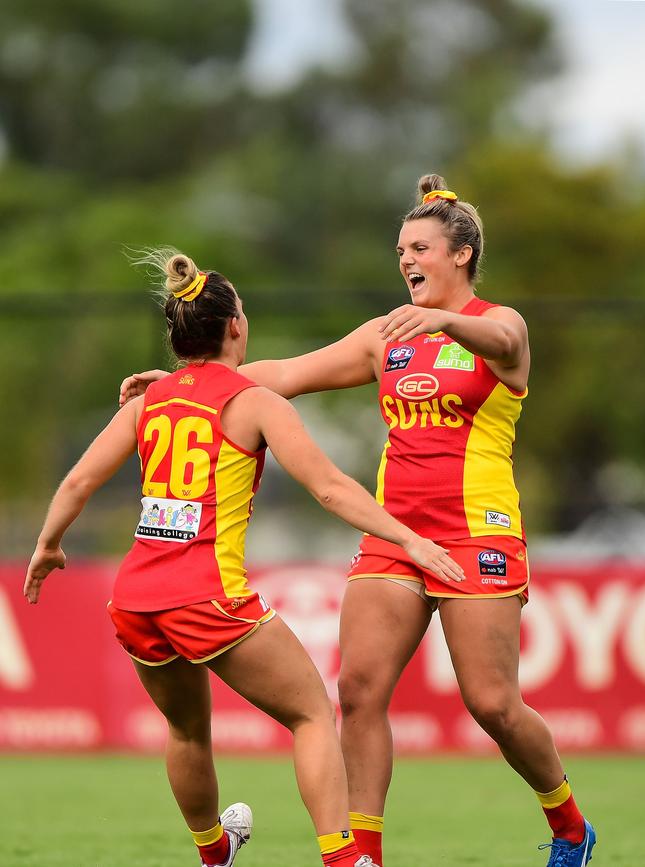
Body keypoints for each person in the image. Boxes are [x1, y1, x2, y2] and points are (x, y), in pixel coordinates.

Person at [119, 176, 597, 867]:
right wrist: (178, 382)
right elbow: (281, 372)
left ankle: (570, 825)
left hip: (477, 534)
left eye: (420, 247)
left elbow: (502, 337)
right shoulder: (386, 336)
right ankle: (362, 857)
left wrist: (447, 321)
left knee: (492, 703)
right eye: (401, 248)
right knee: (357, 691)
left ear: (460, 254)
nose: (406, 260)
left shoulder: (501, 325)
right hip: (393, 536)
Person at [25, 249, 466, 867]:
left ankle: (215, 853)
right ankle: (345, 860)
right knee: (313, 714)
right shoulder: (253, 402)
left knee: (185, 731)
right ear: (235, 327)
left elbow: (76, 483)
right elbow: (331, 487)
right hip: (205, 595)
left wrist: (48, 545)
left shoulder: (149, 402)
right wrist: (410, 538)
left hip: (135, 601)